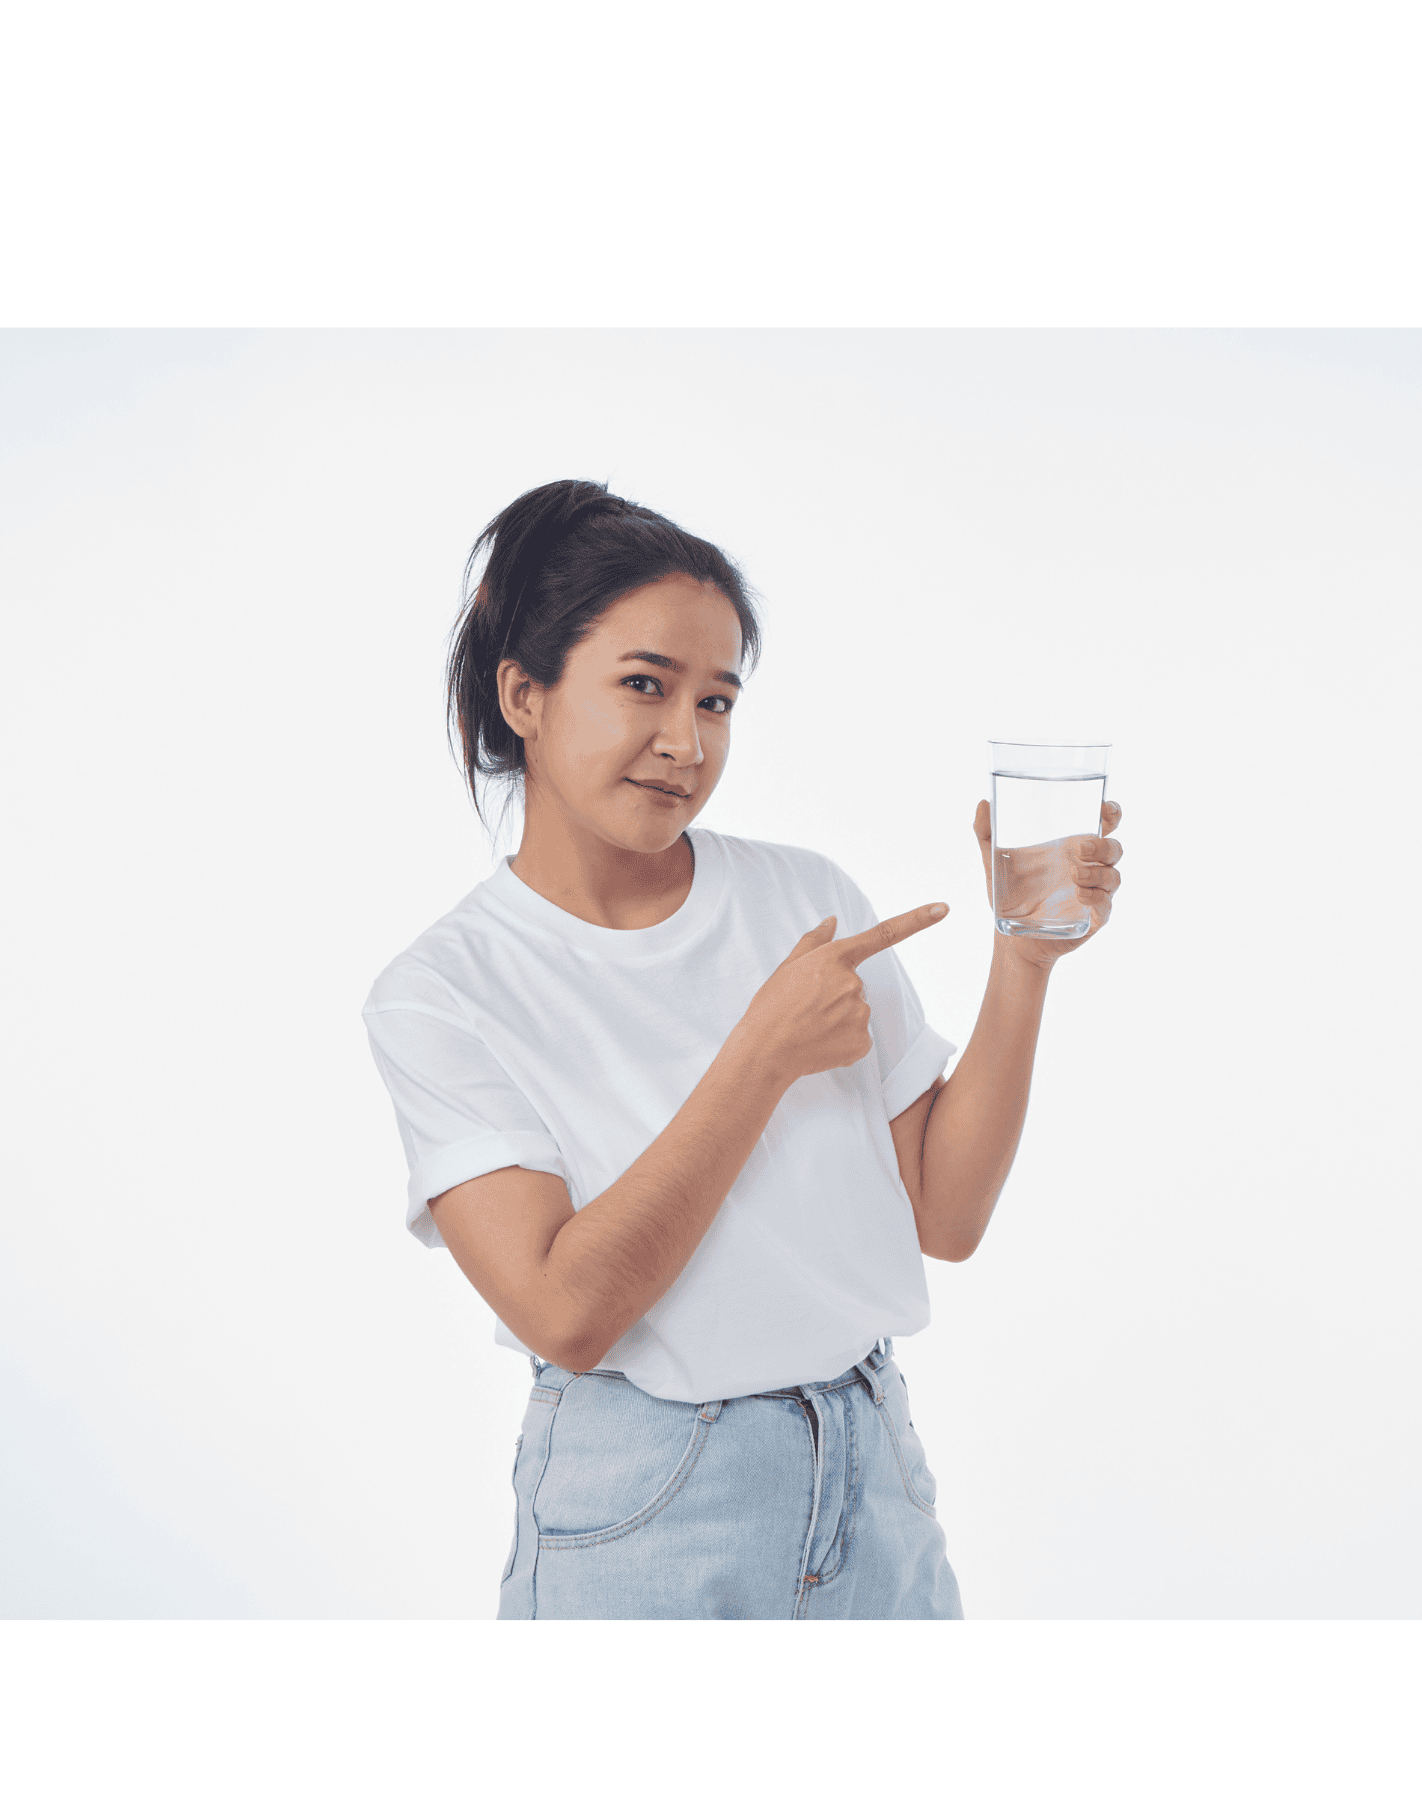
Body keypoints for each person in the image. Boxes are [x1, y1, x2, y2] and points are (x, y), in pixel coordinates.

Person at [361, 479, 1122, 1619]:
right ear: (524, 693)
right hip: (645, 1502)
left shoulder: (802, 896)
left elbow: (947, 1218)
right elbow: (565, 1313)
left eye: (717, 702)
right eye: (643, 687)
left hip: (871, 1470)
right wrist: (760, 1056)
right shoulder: (444, 993)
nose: (685, 740)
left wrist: (1025, 961)